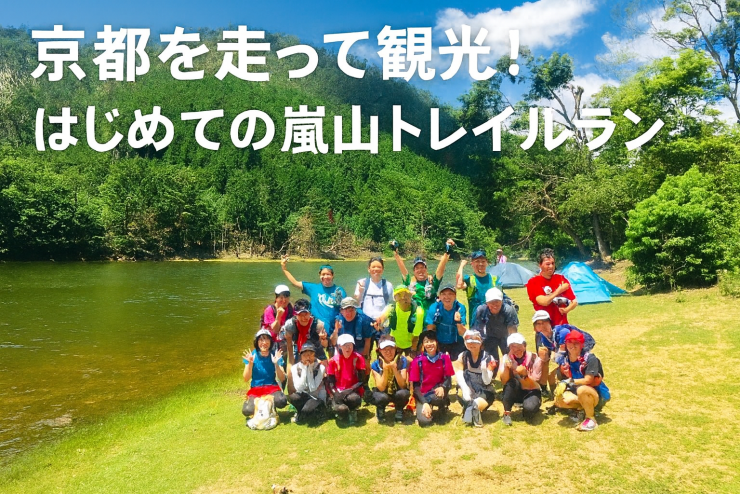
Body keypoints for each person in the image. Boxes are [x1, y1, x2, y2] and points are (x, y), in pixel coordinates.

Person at [553, 329, 610, 432]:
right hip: (578, 392)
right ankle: (582, 409)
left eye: (576, 343)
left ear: (582, 345)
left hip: (595, 393)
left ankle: (591, 419)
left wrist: (569, 381)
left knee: (582, 390)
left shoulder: (590, 358)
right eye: (569, 342)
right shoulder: (565, 359)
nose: (572, 345)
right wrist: (563, 375)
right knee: (559, 400)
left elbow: (588, 380)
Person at [281, 257, 346, 331]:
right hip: (315, 328)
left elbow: (343, 309)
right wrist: (284, 268)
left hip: (334, 328)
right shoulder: (313, 288)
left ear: (333, 275)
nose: (325, 277)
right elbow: (295, 283)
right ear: (319, 275)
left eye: (328, 274)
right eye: (323, 274)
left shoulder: (339, 291)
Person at [391, 238, 455, 313]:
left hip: (430, 318)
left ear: (426, 269)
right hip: (415, 318)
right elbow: (403, 269)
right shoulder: (409, 282)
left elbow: (440, 270)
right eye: (417, 268)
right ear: (414, 271)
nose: (420, 270)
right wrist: (395, 253)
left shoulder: (432, 282)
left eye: (422, 267)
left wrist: (447, 253)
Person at [408, 330, 455, 427]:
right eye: (426, 341)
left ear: (436, 342)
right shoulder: (417, 361)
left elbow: (448, 379)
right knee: (424, 421)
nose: (429, 344)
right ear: (423, 344)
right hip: (423, 394)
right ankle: (426, 406)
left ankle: (442, 405)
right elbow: (416, 387)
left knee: (437, 398)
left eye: (432, 341)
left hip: (437, 392)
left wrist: (443, 387)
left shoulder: (444, 358)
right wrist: (424, 403)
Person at [497, 333, 544, 426]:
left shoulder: (534, 358)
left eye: (519, 346)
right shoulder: (506, 358)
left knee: (529, 411)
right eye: (513, 347)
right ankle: (507, 413)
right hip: (515, 390)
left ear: (524, 345)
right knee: (511, 383)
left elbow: (536, 382)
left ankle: (530, 407)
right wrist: (507, 368)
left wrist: (525, 375)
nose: (516, 349)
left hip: (531, 391)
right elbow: (504, 381)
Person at [453, 330, 497, 427]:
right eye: (469, 342)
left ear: (481, 343)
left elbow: (487, 381)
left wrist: (484, 369)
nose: (472, 345)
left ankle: (472, 409)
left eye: (475, 342)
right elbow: (458, 373)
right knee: (460, 393)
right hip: (469, 387)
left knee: (476, 404)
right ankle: (470, 408)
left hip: (484, 390)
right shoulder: (463, 356)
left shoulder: (488, 358)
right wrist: (465, 389)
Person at [242, 329, 288, 421]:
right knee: (247, 410)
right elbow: (246, 378)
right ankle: (260, 409)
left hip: (272, 387)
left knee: (282, 401)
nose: (264, 342)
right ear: (257, 342)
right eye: (261, 340)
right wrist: (250, 364)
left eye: (267, 339)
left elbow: (282, 378)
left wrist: (276, 364)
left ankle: (270, 408)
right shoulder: (252, 355)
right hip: (256, 388)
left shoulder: (274, 355)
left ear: (270, 342)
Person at [526, 248, 578, 327]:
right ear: (540, 265)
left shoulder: (561, 279)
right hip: (545, 327)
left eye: (553, 263)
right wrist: (559, 291)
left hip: (563, 325)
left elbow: (574, 301)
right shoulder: (534, 282)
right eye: (548, 264)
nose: (551, 266)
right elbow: (544, 302)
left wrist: (566, 310)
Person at [367, 335, 410, 423]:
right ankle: (380, 409)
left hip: (397, 391)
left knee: (403, 393)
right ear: (379, 350)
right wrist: (385, 369)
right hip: (383, 392)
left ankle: (399, 409)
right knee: (381, 397)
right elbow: (381, 387)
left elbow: (403, 385)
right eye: (384, 349)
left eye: (391, 348)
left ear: (395, 348)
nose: (388, 352)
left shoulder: (402, 361)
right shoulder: (375, 364)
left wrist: (395, 369)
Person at [325, 333, 367, 425]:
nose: (348, 348)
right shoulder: (333, 361)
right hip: (338, 390)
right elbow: (330, 381)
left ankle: (353, 411)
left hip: (353, 390)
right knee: (341, 409)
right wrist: (335, 394)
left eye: (350, 345)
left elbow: (362, 380)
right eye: (345, 345)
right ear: (339, 347)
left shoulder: (358, 358)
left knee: (354, 399)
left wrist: (349, 390)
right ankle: (339, 410)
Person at [531, 310, 572, 398]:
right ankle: (554, 393)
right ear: (535, 327)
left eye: (545, 322)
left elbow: (562, 353)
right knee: (550, 369)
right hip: (565, 358)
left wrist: (553, 361)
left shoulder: (562, 332)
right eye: (538, 324)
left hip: (575, 360)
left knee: (556, 372)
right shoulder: (544, 337)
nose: (542, 326)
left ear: (550, 322)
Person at [471, 287, 519, 361]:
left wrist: (513, 346)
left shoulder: (509, 310)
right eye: (491, 302)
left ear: (502, 301)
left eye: (497, 302)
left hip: (505, 336)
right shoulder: (481, 310)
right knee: (491, 360)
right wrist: (480, 344)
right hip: (490, 336)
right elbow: (477, 330)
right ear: (487, 303)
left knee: (511, 359)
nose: (494, 305)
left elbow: (513, 332)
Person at [376, 286, 424, 356]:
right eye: (399, 295)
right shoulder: (392, 308)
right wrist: (379, 323)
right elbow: (383, 317)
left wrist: (413, 350)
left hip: (411, 343)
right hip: (395, 342)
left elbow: (416, 335)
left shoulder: (418, 312)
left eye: (406, 294)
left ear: (410, 296)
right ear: (395, 299)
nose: (403, 298)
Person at [287, 341, 327, 424]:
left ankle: (308, 413)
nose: (308, 357)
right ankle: (302, 413)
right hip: (304, 395)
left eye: (310, 354)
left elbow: (313, 388)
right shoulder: (295, 368)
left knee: (307, 410)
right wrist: (305, 369)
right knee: (293, 397)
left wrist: (309, 369)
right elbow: (299, 388)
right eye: (305, 354)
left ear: (314, 355)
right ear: (301, 356)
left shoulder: (320, 368)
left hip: (316, 397)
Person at [281, 299, 329, 365]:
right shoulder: (290, 325)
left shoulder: (318, 325)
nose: (303, 318)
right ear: (296, 315)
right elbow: (289, 346)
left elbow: (325, 345)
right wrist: (291, 365)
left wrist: (323, 339)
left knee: (325, 367)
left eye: (306, 314)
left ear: (310, 313)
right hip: (299, 350)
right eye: (300, 315)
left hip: (316, 350)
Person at [424, 283, 466, 356]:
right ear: (439, 296)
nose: (447, 297)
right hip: (439, 342)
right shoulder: (434, 308)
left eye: (450, 294)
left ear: (455, 296)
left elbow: (462, 333)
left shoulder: (460, 308)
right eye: (443, 294)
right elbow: (430, 330)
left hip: (456, 342)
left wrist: (458, 322)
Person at [334, 297, 375, 368]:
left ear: (356, 310)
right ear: (341, 311)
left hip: (359, 347)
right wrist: (336, 330)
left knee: (364, 367)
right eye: (346, 310)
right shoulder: (338, 320)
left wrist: (365, 357)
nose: (349, 313)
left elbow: (368, 340)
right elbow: (333, 342)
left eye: (351, 310)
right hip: (343, 348)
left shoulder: (364, 320)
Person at [457, 250, 498, 316]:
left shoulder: (495, 279)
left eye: (483, 261)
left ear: (487, 263)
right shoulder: (469, 279)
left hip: (492, 319)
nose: (480, 264)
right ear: (472, 264)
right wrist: (461, 266)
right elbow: (459, 285)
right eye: (477, 261)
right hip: (475, 320)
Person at [354, 257, 394, 323]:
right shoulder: (361, 283)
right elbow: (356, 304)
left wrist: (383, 318)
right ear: (369, 269)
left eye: (379, 267)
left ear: (383, 269)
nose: (376, 269)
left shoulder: (388, 285)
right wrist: (360, 292)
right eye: (373, 267)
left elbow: (391, 304)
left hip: (382, 322)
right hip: (365, 322)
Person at [260, 284, 294, 349]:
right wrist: (278, 317)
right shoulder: (270, 310)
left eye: (286, 297)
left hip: (284, 339)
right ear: (276, 298)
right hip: (270, 340)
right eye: (281, 298)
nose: (284, 300)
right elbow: (275, 331)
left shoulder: (290, 308)